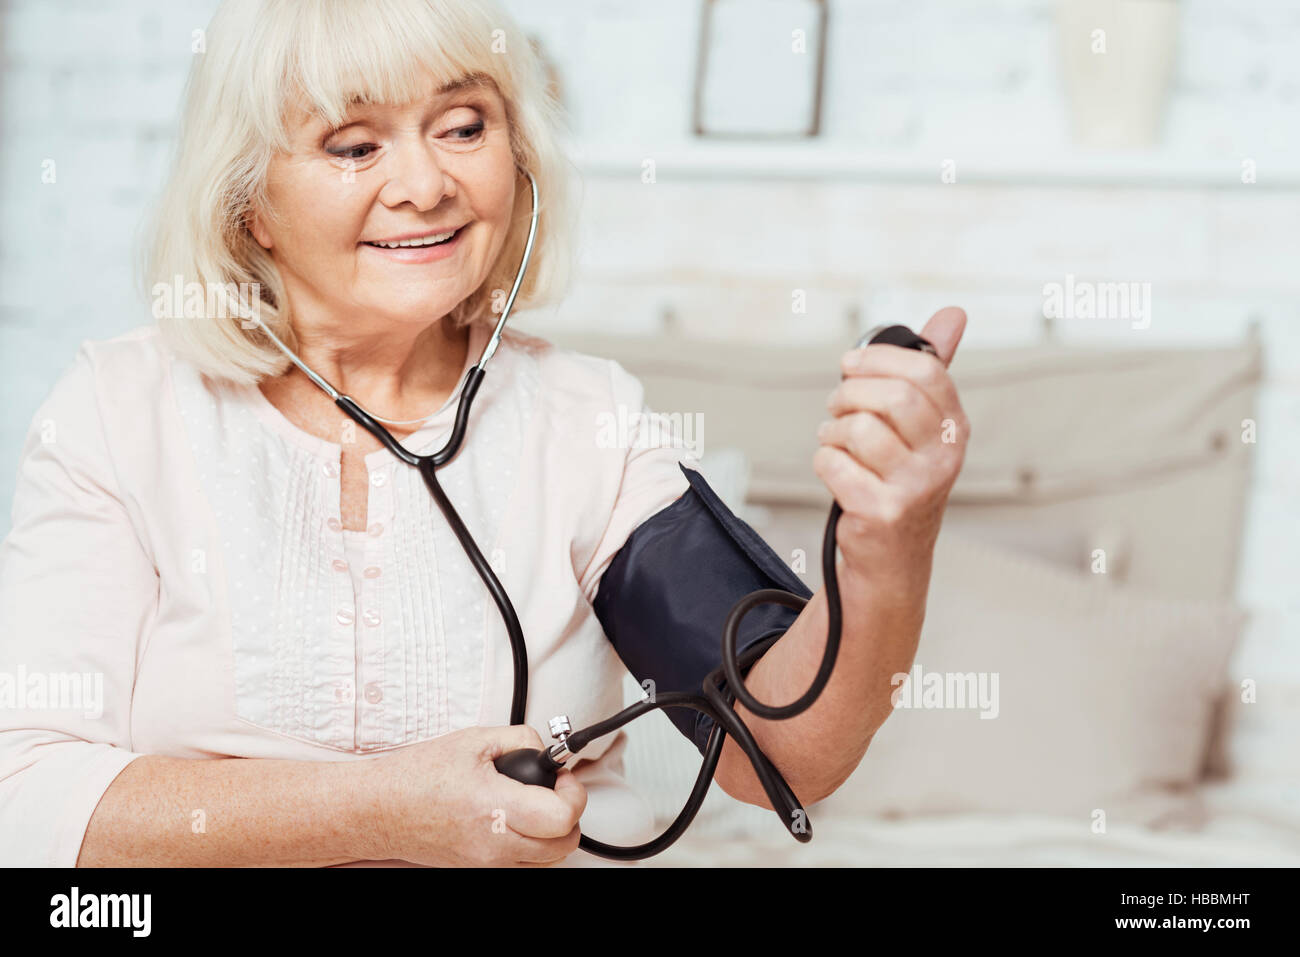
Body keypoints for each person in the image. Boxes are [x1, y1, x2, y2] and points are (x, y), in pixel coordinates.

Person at [0, 0, 969, 868]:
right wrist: (379, 811)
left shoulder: (585, 419)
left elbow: (782, 753)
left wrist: (886, 542)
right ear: (249, 203)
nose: (425, 183)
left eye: (463, 126)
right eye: (354, 145)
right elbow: (25, 800)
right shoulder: (118, 410)